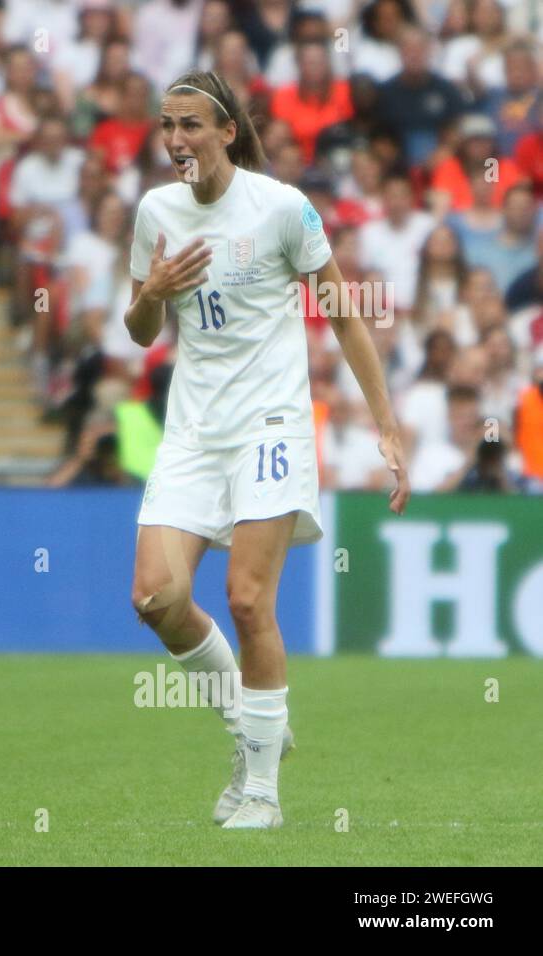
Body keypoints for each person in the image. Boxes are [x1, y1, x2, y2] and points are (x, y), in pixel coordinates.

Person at [124, 71, 410, 830]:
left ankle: (260, 793)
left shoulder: (282, 209)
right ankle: (258, 728)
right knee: (155, 597)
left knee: (249, 601)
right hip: (192, 432)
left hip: (270, 427)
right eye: (166, 127)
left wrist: (385, 424)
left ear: (226, 131)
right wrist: (151, 291)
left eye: (190, 125)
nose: (176, 140)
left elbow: (345, 317)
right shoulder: (156, 211)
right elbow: (140, 332)